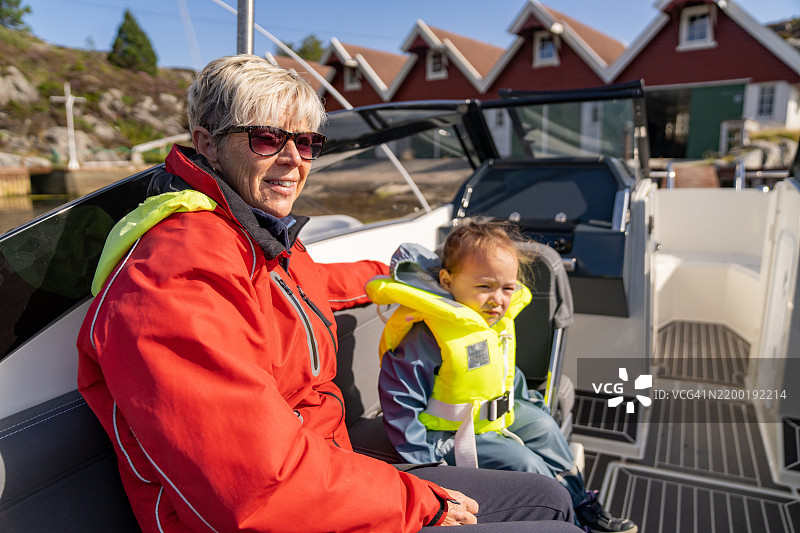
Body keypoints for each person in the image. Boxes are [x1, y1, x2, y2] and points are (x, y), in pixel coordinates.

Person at [77, 55, 584, 532]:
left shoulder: (255, 237)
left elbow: (314, 288)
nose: (293, 160)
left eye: (307, 143)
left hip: (324, 472)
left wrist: (408, 274)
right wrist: (419, 504)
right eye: (266, 138)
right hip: (281, 510)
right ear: (207, 143)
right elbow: (253, 487)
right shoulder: (175, 272)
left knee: (552, 499)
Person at [367, 219, 638, 533]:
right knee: (526, 464)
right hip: (451, 433)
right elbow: (400, 398)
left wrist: (530, 404)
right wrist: (425, 464)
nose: (497, 298)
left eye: (507, 288)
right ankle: (570, 523)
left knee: (546, 427)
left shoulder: (492, 322)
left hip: (496, 414)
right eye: (484, 286)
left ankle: (581, 503)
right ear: (446, 280)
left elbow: (505, 374)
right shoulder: (428, 334)